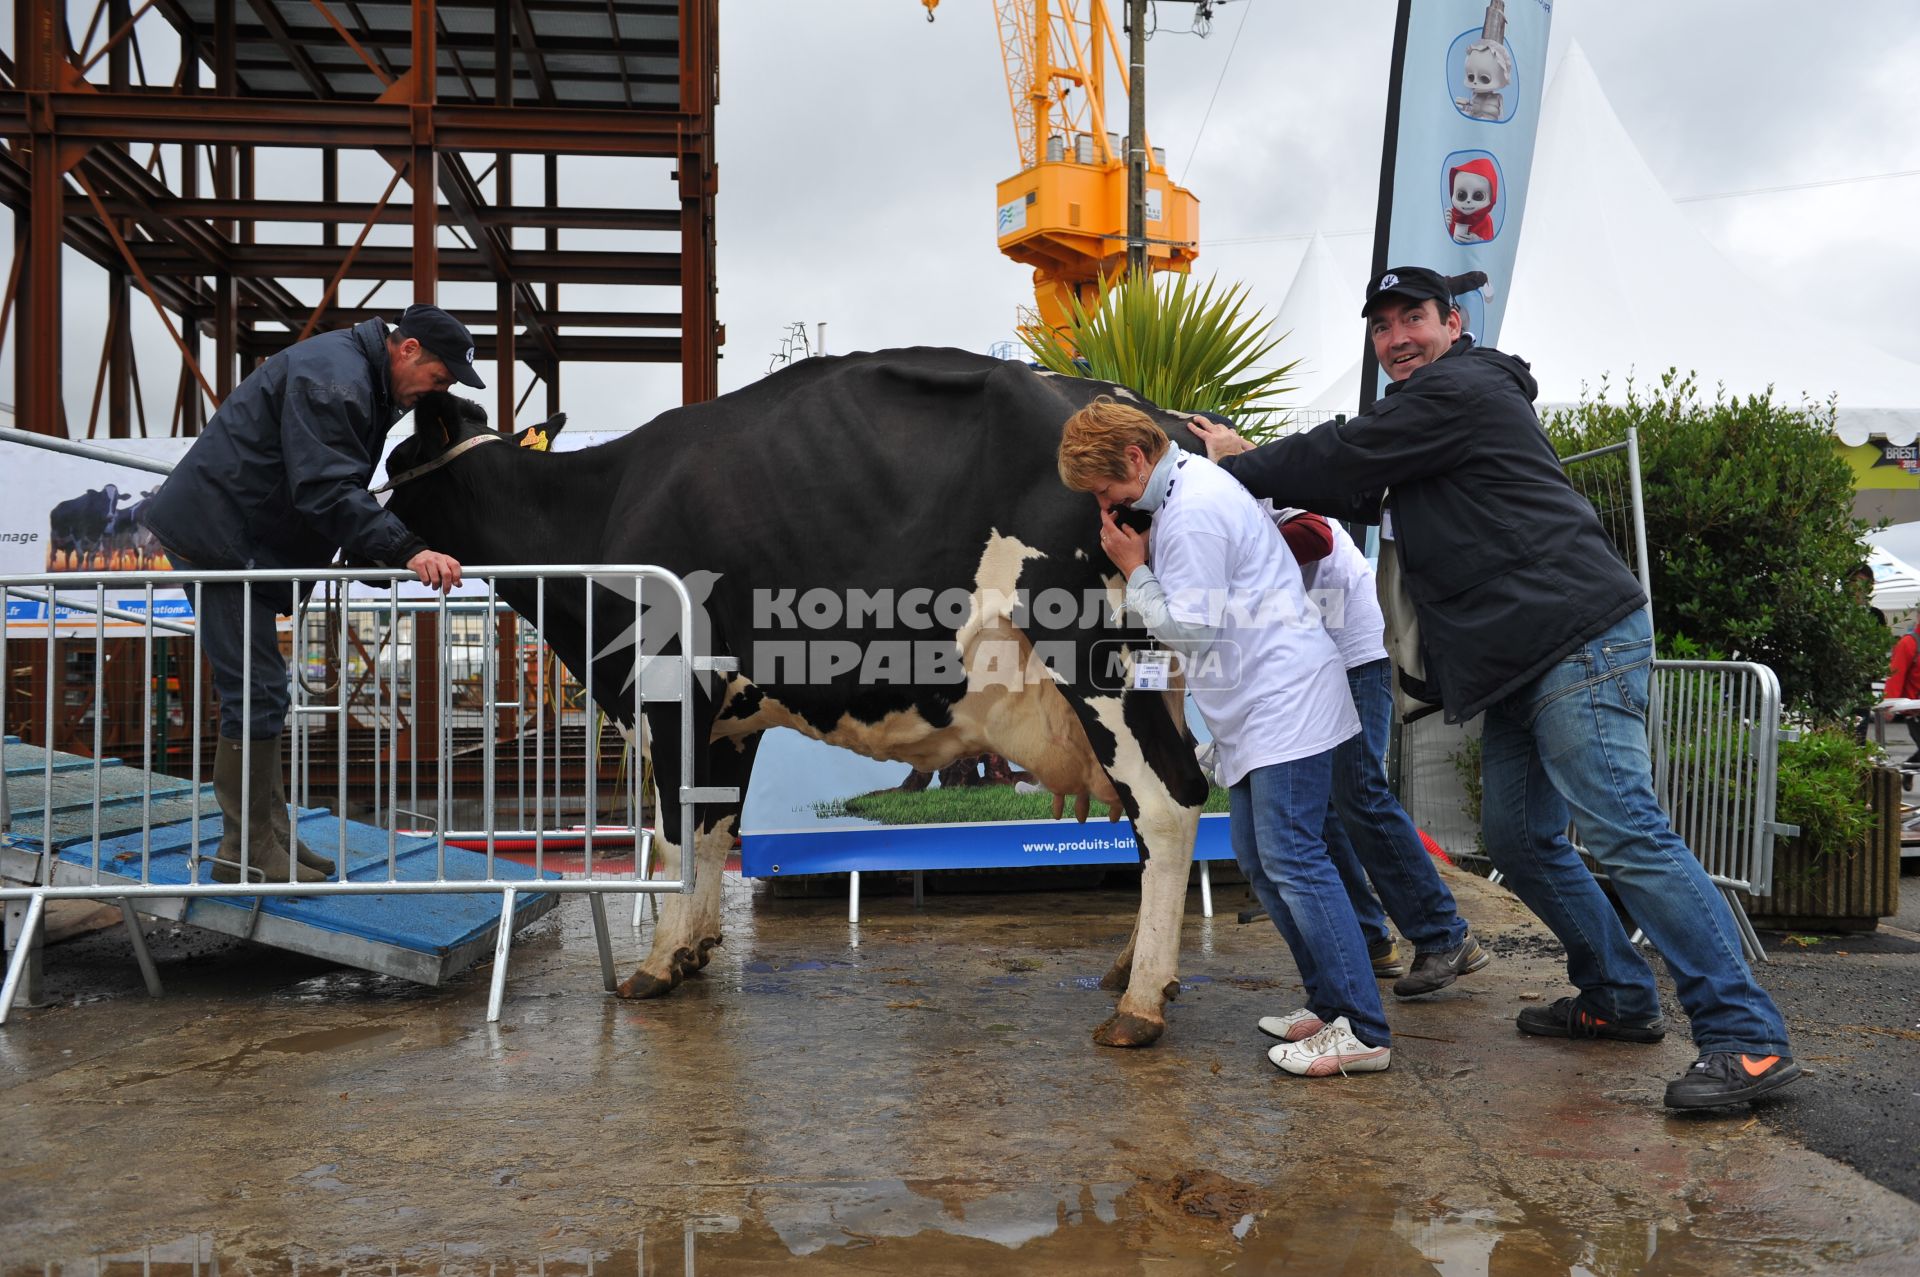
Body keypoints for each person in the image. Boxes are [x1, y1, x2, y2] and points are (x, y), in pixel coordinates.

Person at [1187, 266, 1801, 1111]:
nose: (1397, 338)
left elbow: (1345, 453)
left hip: (1576, 640)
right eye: (1382, 328)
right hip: (1524, 659)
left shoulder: (1463, 386)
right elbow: (1354, 480)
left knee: (1627, 834)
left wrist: (1237, 465)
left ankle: (1748, 1037)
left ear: (1453, 322)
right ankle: (1619, 996)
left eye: (1413, 319)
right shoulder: (1430, 412)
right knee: (1519, 839)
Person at [1058, 396, 1392, 1078]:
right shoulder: (1184, 496)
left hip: (1283, 704)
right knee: (1262, 859)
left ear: (1135, 457)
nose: (1106, 505)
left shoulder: (1194, 512)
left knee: (1294, 860)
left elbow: (1191, 631)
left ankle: (1361, 1027)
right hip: (1259, 709)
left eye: (1105, 489)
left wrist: (1134, 569)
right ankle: (1331, 1003)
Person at [140, 304, 480, 885]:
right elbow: (326, 489)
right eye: (440, 378)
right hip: (220, 541)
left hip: (241, 537)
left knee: (262, 689)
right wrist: (407, 550)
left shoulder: (356, 375)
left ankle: (267, 838)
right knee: (255, 688)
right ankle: (244, 849)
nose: (437, 390)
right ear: (408, 349)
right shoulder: (337, 380)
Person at [1885, 619, 1920, 764]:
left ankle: (1911, 764)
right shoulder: (1908, 643)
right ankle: (1911, 764)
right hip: (1916, 712)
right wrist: (1889, 704)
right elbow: (1896, 675)